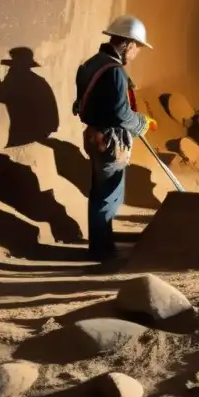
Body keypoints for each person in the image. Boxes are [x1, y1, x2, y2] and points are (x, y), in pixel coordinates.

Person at [73, 16, 156, 261]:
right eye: (137, 49)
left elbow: (81, 103)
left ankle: (101, 244)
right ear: (128, 44)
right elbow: (121, 113)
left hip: (93, 136)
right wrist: (142, 123)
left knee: (100, 191)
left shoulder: (91, 64)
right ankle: (102, 251)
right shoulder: (115, 71)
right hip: (110, 140)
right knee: (109, 195)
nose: (136, 54)